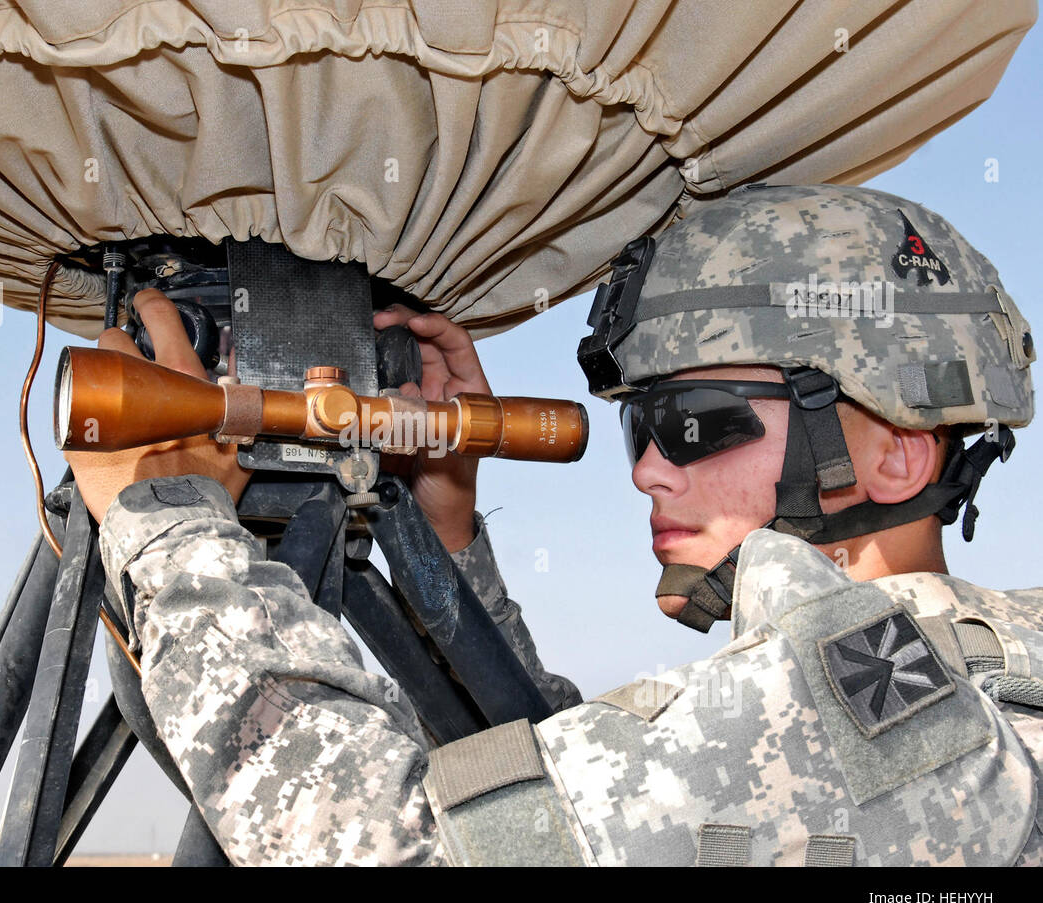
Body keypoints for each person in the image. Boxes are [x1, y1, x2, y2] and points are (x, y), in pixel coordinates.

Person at [65, 184, 1043, 866]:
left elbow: (372, 842)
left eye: (692, 422)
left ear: (896, 452)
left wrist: (172, 528)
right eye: (639, 427)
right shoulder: (972, 670)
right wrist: (449, 547)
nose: (651, 469)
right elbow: (577, 800)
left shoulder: (859, 709)